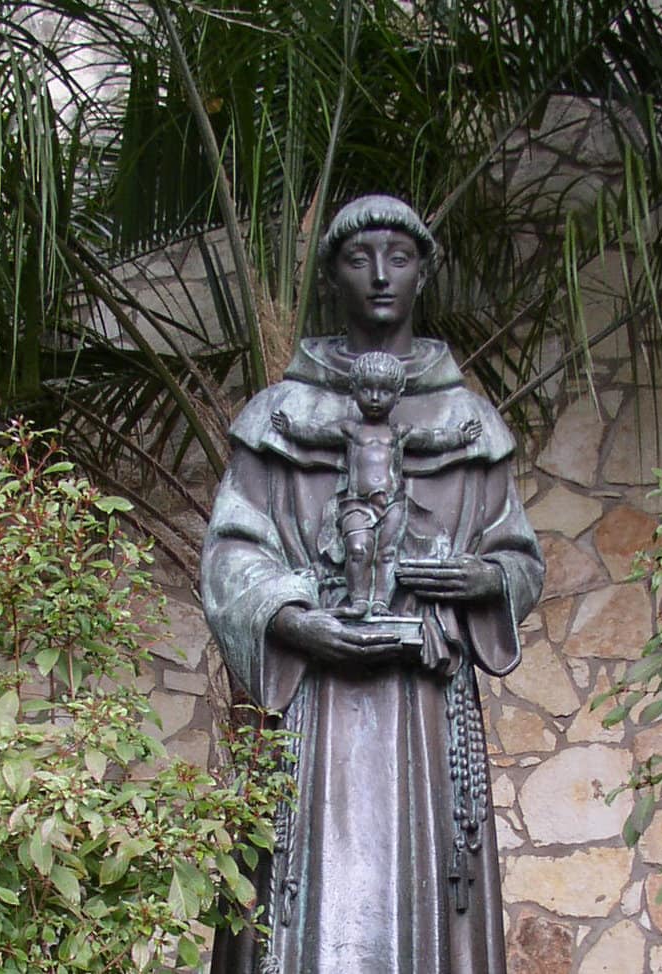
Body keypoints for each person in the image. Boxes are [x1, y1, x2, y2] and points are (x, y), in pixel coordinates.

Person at [201, 195, 544, 974]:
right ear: (332, 276)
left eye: (400, 256)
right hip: (311, 714)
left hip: (427, 705)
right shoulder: (280, 415)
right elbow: (230, 555)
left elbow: (519, 560)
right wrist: (289, 620)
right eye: (361, 259)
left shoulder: (466, 419)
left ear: (424, 271)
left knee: (428, 907)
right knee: (305, 912)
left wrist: (481, 577)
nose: (382, 276)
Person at [271, 350, 483, 618]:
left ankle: (381, 602)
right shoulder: (350, 430)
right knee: (358, 549)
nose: (374, 398)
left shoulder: (399, 432)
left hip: (393, 503)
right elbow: (316, 435)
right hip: (357, 503)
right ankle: (358, 600)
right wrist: (291, 429)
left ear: (398, 394)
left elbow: (433, 439)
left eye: (384, 391)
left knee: (386, 554)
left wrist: (460, 436)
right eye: (367, 390)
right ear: (354, 390)